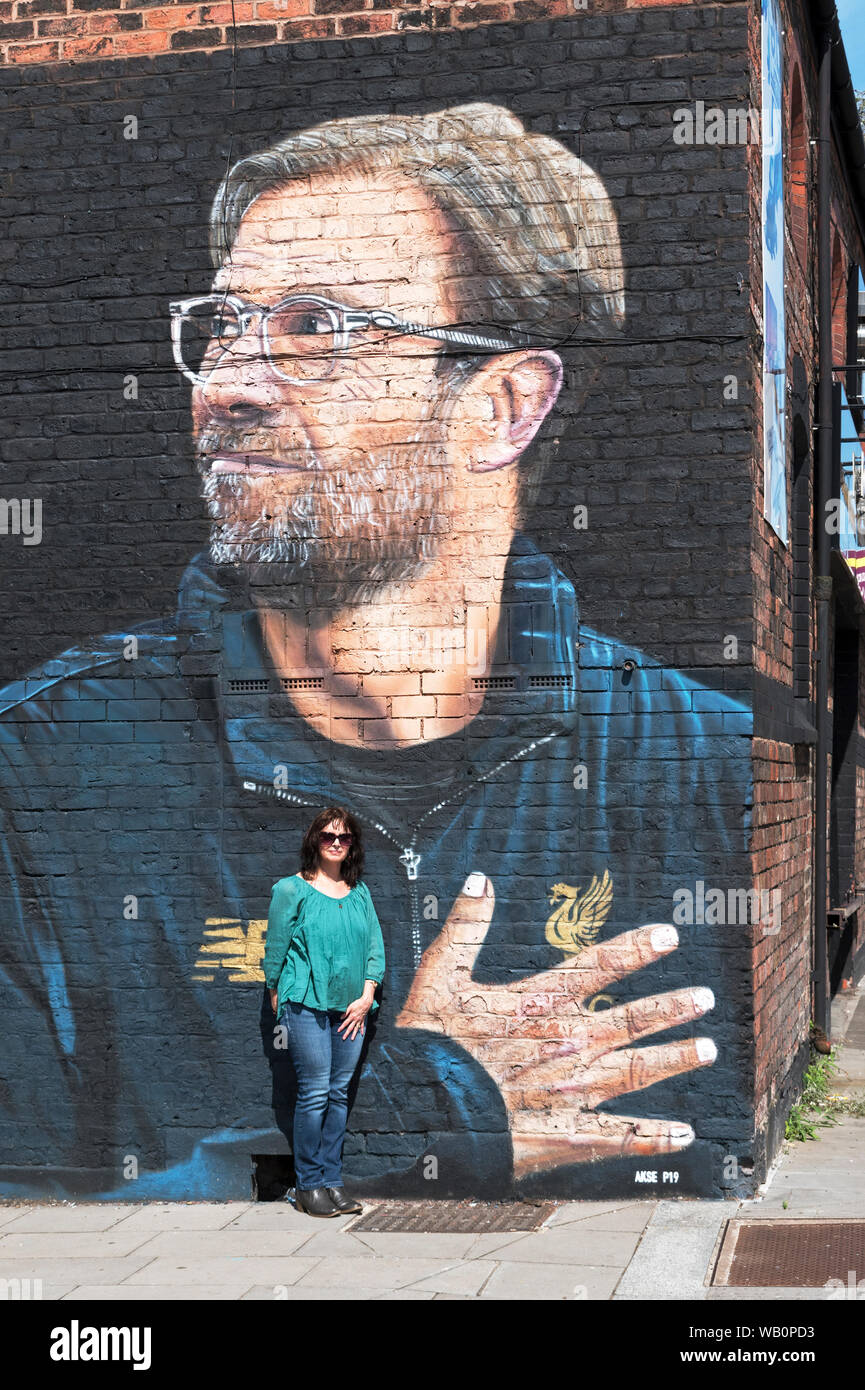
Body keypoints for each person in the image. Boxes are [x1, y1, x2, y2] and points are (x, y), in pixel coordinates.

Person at [0, 103, 752, 1202]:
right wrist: (421, 1111)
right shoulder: (36, 780)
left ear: (502, 405)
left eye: (315, 329)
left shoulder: (708, 773)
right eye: (221, 324)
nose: (228, 384)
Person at [263, 807, 385, 1216]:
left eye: (344, 837)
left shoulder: (359, 892)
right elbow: (275, 947)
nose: (336, 843)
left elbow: (374, 948)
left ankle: (331, 1181)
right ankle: (308, 1184)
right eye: (328, 836)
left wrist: (368, 995)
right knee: (314, 1093)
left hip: (352, 1008)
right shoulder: (290, 890)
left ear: (353, 845)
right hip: (305, 1005)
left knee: (338, 1094)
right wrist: (275, 993)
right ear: (314, 841)